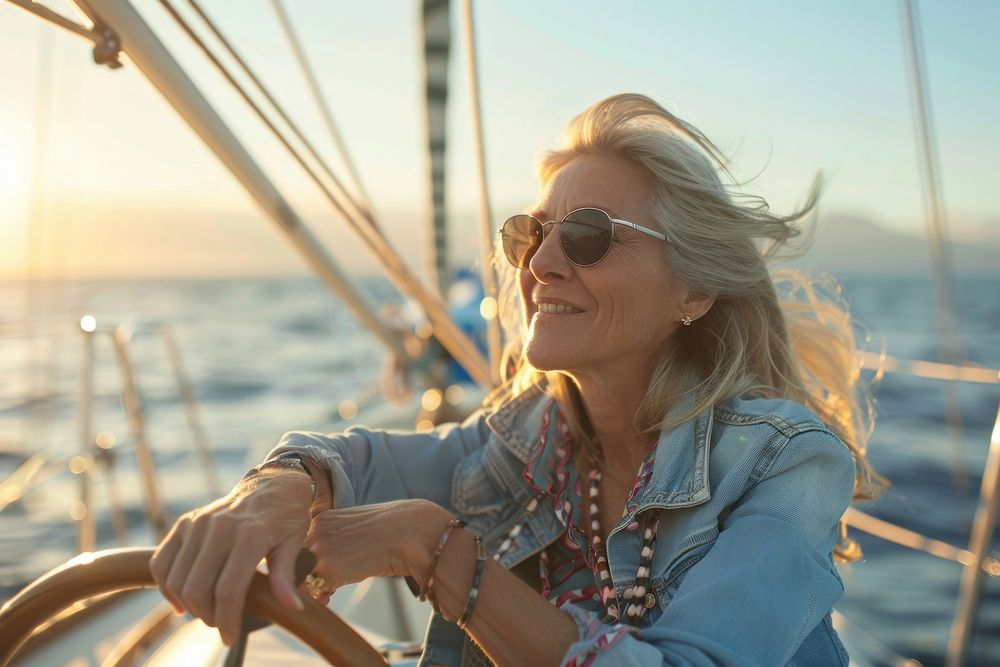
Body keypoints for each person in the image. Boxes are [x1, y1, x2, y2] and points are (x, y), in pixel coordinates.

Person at [151, 93, 883, 666]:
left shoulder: (786, 462)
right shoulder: (534, 439)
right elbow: (362, 461)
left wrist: (434, 547)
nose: (539, 265)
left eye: (589, 235)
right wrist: (275, 489)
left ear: (693, 291)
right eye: (530, 234)